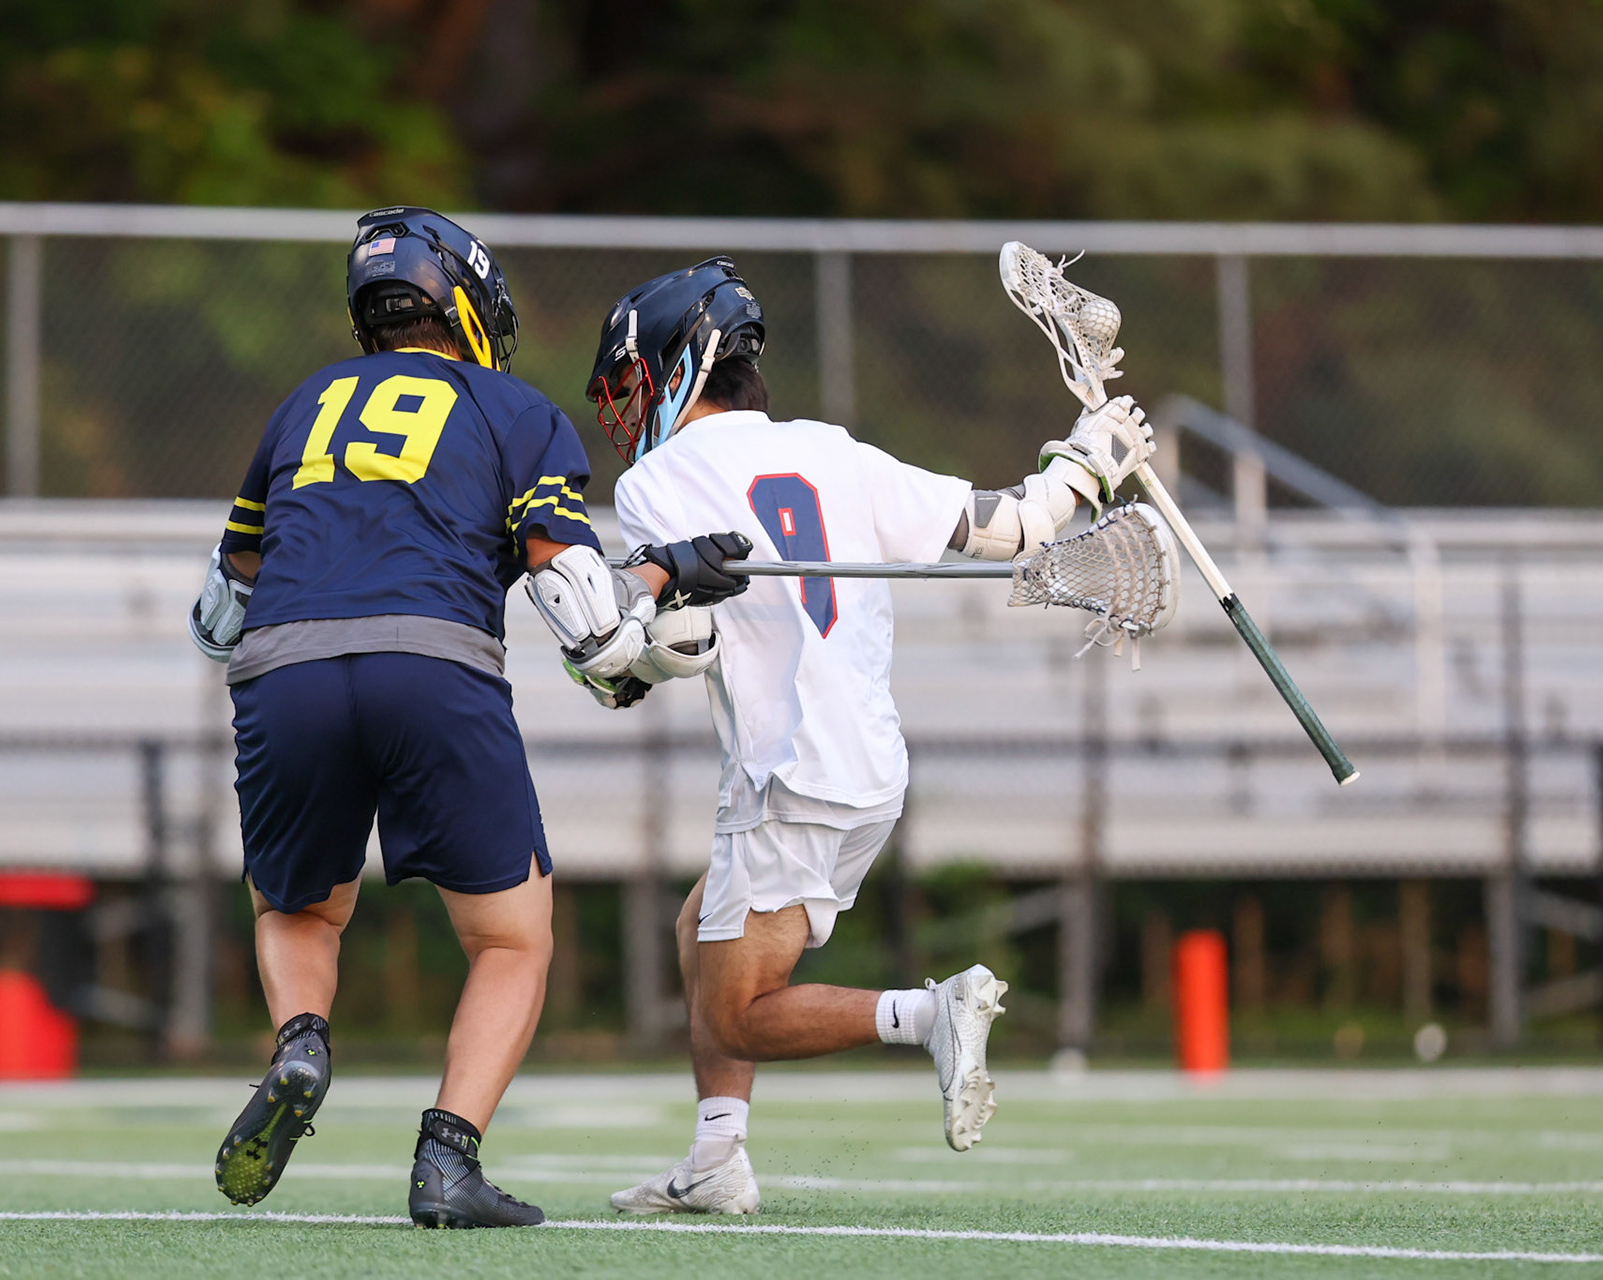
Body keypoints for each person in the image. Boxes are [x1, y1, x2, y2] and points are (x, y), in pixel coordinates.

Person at [188, 208, 748, 1229]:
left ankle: (303, 1039)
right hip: (429, 658)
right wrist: (662, 598)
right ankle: (447, 1156)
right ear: (466, 302)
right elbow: (576, 604)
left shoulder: (303, 401)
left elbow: (224, 605)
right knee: (509, 936)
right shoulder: (511, 408)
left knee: (300, 906)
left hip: (283, 664)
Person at [578, 257, 1155, 1214]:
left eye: (637, 379)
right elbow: (1010, 527)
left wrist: (628, 665)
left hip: (788, 769)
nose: (630, 405)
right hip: (870, 769)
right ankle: (718, 1156)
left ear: (687, 362)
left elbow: (647, 638)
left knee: (738, 1009)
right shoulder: (833, 448)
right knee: (701, 926)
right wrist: (1088, 458)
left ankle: (931, 1013)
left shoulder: (655, 482)